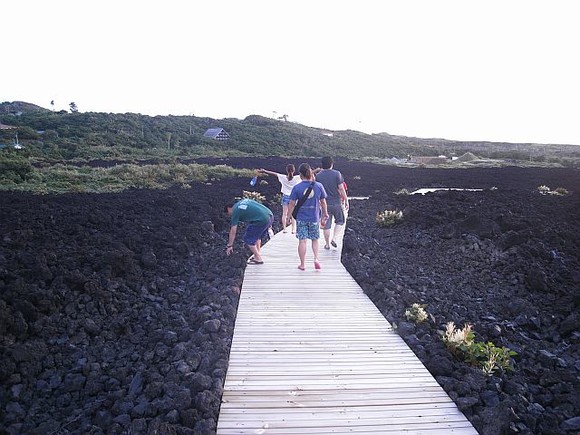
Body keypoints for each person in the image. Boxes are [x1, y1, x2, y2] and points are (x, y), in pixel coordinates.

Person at [288, 163, 329, 271]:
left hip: (301, 219)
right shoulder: (319, 186)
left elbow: (292, 204)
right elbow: (323, 202)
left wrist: (288, 216)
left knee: (302, 241)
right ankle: (316, 259)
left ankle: (302, 264)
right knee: (315, 240)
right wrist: (325, 213)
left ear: (300, 175)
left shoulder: (297, 187)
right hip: (314, 218)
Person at [224, 198, 274, 265]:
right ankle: (256, 254)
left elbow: (233, 230)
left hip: (261, 220)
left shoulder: (235, 210)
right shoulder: (243, 201)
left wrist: (230, 245)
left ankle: (258, 259)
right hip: (270, 215)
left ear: (229, 208)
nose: (229, 215)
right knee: (257, 237)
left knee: (248, 239)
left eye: (228, 213)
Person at [315, 156, 349, 250]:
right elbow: (341, 188)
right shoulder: (337, 174)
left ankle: (327, 244)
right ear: (332, 164)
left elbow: (317, 191)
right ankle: (334, 238)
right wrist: (346, 200)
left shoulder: (318, 176)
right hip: (337, 202)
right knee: (340, 221)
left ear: (322, 164)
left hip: (324, 204)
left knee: (326, 226)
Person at [258, 164, 301, 233]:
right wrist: (317, 170)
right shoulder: (297, 178)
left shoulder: (283, 177)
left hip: (285, 196)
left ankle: (284, 229)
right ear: (294, 170)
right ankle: (293, 229)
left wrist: (264, 171)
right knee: (293, 214)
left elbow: (273, 173)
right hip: (293, 197)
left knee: (284, 214)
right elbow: (308, 173)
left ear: (287, 170)